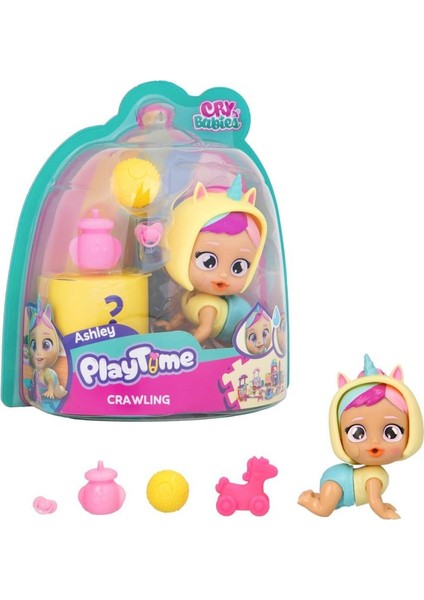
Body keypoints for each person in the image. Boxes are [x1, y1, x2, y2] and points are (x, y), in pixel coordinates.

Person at [298, 354, 423, 519]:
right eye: (357, 433)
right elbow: (373, 499)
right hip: (337, 482)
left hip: (338, 480)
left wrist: (382, 504)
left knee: (329, 502)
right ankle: (306, 500)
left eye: (391, 433)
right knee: (324, 510)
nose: (374, 443)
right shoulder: (374, 477)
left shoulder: (375, 473)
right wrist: (383, 512)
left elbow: (376, 499)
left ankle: (318, 496)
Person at [157, 175, 267, 345]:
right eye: (208, 262)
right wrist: (171, 325)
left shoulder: (209, 307)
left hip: (247, 335)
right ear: (181, 253)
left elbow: (205, 330)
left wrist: (187, 346)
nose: (222, 275)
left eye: (238, 267)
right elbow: (185, 313)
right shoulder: (191, 296)